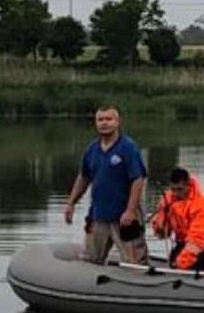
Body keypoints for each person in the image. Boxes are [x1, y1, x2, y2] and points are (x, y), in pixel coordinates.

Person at [63, 106, 148, 265]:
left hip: (124, 218)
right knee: (89, 262)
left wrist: (130, 211)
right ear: (95, 123)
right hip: (98, 216)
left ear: (117, 122)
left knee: (135, 264)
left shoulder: (128, 148)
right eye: (100, 120)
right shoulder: (92, 149)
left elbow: (138, 180)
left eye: (109, 119)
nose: (104, 123)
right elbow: (84, 177)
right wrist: (71, 203)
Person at [150, 167, 204, 271]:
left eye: (180, 189)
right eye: (173, 189)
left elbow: (197, 240)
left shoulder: (201, 204)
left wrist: (181, 264)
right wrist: (159, 226)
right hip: (184, 242)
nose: (176, 194)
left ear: (188, 185)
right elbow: (163, 232)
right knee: (177, 260)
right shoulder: (167, 200)